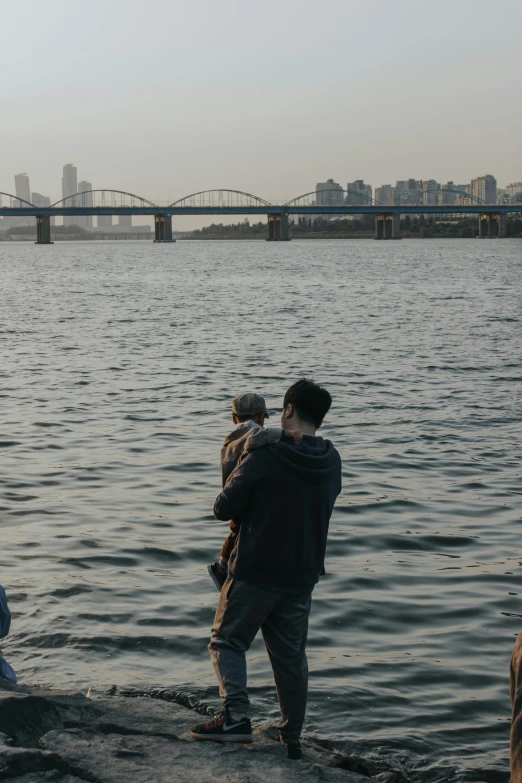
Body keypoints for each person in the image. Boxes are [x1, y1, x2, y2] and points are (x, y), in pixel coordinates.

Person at [192, 379, 342, 760]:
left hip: (256, 569)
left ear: (287, 410)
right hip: (303, 575)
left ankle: (235, 719)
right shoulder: (331, 459)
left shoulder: (265, 454)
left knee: (226, 641)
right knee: (291, 659)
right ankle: (290, 737)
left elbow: (223, 508)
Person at [207, 391, 302, 591]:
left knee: (235, 530)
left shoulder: (229, 440)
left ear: (234, 418)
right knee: (239, 530)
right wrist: (287, 434)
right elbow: (260, 436)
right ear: (261, 416)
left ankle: (222, 566)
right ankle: (223, 568)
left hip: (231, 491)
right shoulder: (254, 433)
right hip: (248, 494)